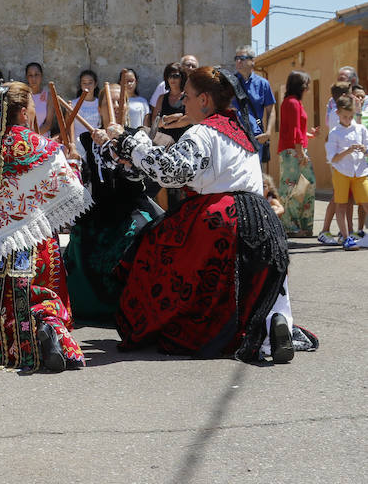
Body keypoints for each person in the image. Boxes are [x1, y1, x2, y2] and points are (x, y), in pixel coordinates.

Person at [104, 66, 310, 363]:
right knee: (257, 287)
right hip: (264, 221)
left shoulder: (201, 133)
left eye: (186, 97)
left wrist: (133, 144)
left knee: (155, 246)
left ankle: (166, 323)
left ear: (203, 100)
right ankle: (273, 323)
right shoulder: (241, 130)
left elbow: (171, 173)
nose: (182, 103)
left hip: (221, 217)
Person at [0, 83, 91, 372]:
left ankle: (1, 338)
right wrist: (74, 163)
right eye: (30, 104)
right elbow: (70, 188)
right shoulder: (37, 144)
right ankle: (47, 328)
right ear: (21, 111)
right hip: (30, 242)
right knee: (38, 297)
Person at [63, 83, 160, 322]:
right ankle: (87, 308)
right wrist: (73, 162)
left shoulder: (138, 135)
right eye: (110, 102)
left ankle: (133, 307)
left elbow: (138, 173)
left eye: (120, 101)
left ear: (126, 105)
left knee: (140, 235)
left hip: (132, 207)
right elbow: (84, 181)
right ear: (100, 107)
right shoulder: (86, 139)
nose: (116, 105)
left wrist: (114, 144)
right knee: (81, 235)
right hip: (99, 209)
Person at [318, 73, 359, 244]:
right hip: (339, 158)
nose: (352, 95)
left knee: (346, 197)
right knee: (338, 196)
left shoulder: (334, 107)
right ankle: (325, 230)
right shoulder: (338, 113)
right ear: (343, 95)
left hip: (345, 158)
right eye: (349, 92)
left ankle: (346, 231)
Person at [324, 95, 368, 250]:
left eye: (351, 116)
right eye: (345, 117)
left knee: (366, 202)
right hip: (342, 172)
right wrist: (347, 151)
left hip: (360, 171)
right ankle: (346, 238)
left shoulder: (361, 129)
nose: (348, 120)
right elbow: (332, 158)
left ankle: (361, 234)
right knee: (341, 205)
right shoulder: (335, 133)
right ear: (338, 114)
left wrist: (365, 150)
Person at [277, 71, 317, 237]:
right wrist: (300, 152)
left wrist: (309, 135)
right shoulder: (292, 103)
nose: (308, 88)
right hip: (292, 151)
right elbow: (293, 131)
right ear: (301, 86)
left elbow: (296, 130)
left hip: (295, 149)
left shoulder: (294, 103)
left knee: (307, 184)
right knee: (292, 188)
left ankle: (303, 225)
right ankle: (290, 227)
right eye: (306, 85)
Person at [152, 63, 190, 210]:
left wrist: (168, 121)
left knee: (182, 184)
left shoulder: (187, 97)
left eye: (176, 75)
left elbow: (189, 119)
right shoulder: (162, 98)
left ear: (182, 77)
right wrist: (173, 118)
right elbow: (156, 121)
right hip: (165, 145)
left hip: (183, 144)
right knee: (163, 183)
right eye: (169, 76)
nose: (172, 79)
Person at [233, 45, 276, 170]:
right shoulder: (230, 83)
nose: (238, 61)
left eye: (242, 58)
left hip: (255, 138)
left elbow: (271, 110)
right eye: (236, 58)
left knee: (254, 176)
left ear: (252, 61)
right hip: (233, 137)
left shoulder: (263, 84)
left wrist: (268, 133)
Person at [25, 62, 56, 135]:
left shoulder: (48, 97)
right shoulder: (23, 95)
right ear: (27, 77)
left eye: (36, 75)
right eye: (30, 75)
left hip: (42, 137)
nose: (33, 78)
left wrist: (34, 136)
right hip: (24, 137)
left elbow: (48, 123)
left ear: (41, 76)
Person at [72, 69, 102, 142]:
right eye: (84, 83)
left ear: (95, 84)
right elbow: (70, 127)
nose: (87, 86)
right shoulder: (73, 104)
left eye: (90, 83)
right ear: (80, 85)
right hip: (78, 145)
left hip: (96, 145)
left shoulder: (100, 103)